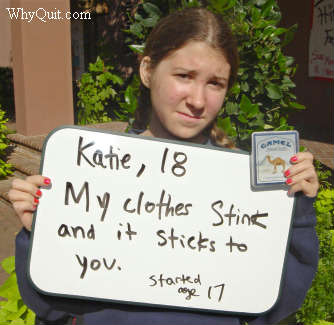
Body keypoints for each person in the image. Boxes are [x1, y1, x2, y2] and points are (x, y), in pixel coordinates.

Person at [9, 7, 319, 325]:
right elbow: (51, 309)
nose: (198, 100)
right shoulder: (91, 173)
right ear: (147, 70)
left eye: (215, 83)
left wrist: (295, 212)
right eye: (184, 76)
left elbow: (273, 307)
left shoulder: (247, 187)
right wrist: (40, 232)